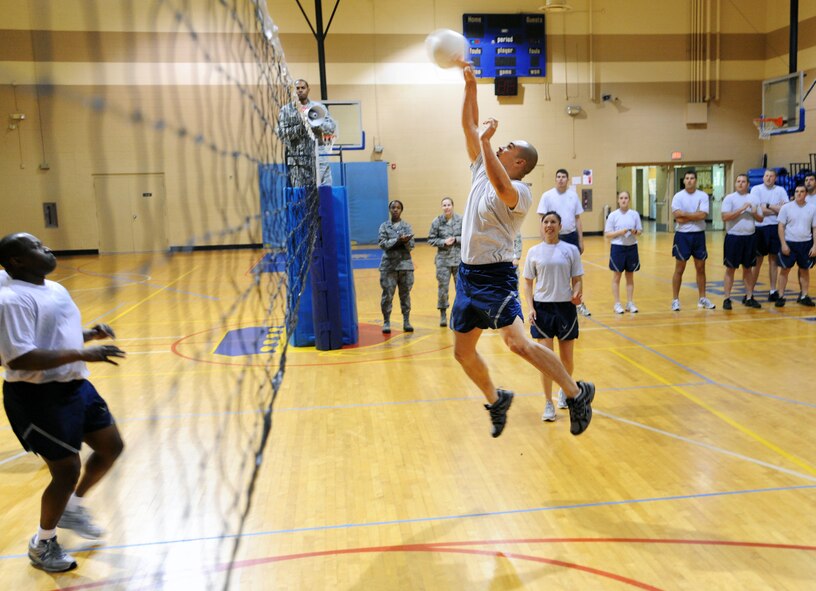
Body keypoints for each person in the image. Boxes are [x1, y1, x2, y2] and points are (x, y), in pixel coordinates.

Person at [452, 62, 594, 438]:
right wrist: (469, 85)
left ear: (519, 163)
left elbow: (503, 190)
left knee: (518, 344)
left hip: (494, 277)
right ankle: (496, 399)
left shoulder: (523, 193)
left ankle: (577, 393)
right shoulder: (483, 167)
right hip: (467, 275)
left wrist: (486, 144)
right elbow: (469, 126)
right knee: (462, 352)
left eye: (508, 147)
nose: (500, 143)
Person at [0, 233, 126, 573]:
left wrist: (88, 333)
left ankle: (73, 505)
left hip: (75, 386)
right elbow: (19, 358)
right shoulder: (11, 300)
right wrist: (83, 353)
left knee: (111, 447)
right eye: (37, 247)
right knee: (66, 469)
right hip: (36, 396)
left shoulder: (54, 289)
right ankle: (43, 543)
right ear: (17, 261)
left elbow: (53, 334)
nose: (48, 248)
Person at [523, 212, 583, 422]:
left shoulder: (570, 250)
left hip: (565, 308)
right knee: (546, 361)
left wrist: (577, 293)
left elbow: (577, 279)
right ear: (542, 225)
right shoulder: (533, 252)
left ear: (560, 225)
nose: (549, 225)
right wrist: (530, 308)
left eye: (553, 222)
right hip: (542, 310)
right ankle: (548, 403)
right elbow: (528, 284)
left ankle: (564, 392)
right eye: (546, 222)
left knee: (567, 359)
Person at [537, 169, 591, 316]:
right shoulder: (547, 196)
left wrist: (581, 240)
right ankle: (551, 300)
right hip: (553, 238)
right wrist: (544, 240)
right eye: (558, 177)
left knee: (576, 273)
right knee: (553, 270)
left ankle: (579, 303)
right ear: (555, 179)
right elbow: (542, 219)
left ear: (567, 180)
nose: (561, 179)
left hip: (571, 237)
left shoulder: (573, 196)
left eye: (563, 177)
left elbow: (578, 219)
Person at [277, 78, 337, 187]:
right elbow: (281, 133)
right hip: (297, 160)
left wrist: (316, 123)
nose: (300, 90)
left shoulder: (318, 108)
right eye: (297, 88)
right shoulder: (286, 110)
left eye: (303, 88)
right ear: (294, 91)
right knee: (300, 194)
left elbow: (331, 127)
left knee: (324, 190)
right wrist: (300, 127)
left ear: (308, 90)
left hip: (319, 157)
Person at [670, 170, 716, 310]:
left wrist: (685, 215)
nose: (689, 180)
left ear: (696, 181)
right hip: (682, 236)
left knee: (700, 267)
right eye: (687, 178)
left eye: (692, 178)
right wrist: (693, 215)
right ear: (684, 181)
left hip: (698, 235)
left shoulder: (702, 196)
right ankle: (675, 300)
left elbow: (702, 215)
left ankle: (702, 298)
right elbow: (677, 216)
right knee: (680, 268)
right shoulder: (678, 196)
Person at [720, 174, 763, 309]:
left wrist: (753, 212)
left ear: (748, 184)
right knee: (730, 268)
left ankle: (749, 297)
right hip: (733, 237)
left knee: (748, 268)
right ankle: (727, 298)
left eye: (743, 181)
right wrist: (741, 209)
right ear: (735, 184)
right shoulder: (729, 198)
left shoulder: (754, 198)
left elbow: (760, 218)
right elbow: (725, 217)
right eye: (738, 181)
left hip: (749, 237)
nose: (740, 183)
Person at [751, 169, 789, 301]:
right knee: (757, 260)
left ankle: (773, 290)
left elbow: (784, 209)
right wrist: (775, 208)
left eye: (771, 176)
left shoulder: (781, 190)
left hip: (775, 227)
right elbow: (757, 209)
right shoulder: (756, 189)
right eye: (766, 176)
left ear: (775, 178)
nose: (768, 178)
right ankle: (750, 291)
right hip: (759, 228)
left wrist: (767, 206)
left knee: (773, 260)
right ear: (763, 177)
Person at [775, 184, 816, 307]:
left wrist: (815, 246)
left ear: (806, 194)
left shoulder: (813, 208)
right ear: (794, 193)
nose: (799, 193)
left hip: (806, 243)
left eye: (802, 191)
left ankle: (804, 295)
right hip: (789, 242)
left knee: (804, 270)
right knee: (784, 270)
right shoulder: (786, 208)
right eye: (797, 191)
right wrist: (783, 244)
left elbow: (815, 228)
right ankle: (780, 296)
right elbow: (781, 226)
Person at [378, 200, 415, 333]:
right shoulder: (384, 226)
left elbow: (411, 246)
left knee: (405, 295)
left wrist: (405, 241)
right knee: (387, 295)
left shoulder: (407, 227)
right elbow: (382, 244)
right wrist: (397, 240)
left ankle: (406, 321)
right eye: (393, 207)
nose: (395, 210)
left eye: (398, 208)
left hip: (405, 266)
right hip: (389, 267)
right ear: (389, 209)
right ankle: (386, 321)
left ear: (401, 210)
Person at [604, 191, 642, 314]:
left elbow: (640, 231)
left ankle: (630, 302)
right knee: (617, 276)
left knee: (630, 276)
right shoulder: (613, 215)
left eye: (626, 198)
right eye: (621, 198)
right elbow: (608, 234)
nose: (624, 200)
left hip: (631, 247)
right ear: (618, 200)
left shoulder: (634, 214)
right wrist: (620, 232)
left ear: (629, 200)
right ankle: (617, 303)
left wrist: (635, 232)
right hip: (618, 248)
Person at [427, 197, 462, 327]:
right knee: (443, 289)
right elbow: (430, 239)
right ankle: (443, 314)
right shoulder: (437, 222)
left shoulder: (461, 220)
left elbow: (468, 237)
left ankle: (459, 313)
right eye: (444, 205)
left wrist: (456, 239)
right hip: (443, 262)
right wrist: (442, 242)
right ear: (442, 207)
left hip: (458, 261)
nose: (446, 207)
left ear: (453, 206)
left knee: (460, 289)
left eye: (448, 205)